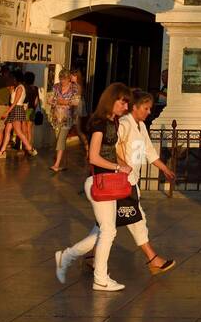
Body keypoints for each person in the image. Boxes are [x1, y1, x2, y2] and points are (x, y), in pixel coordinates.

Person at [55, 83, 136, 291]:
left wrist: (123, 165)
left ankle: (66, 256)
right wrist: (118, 167)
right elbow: (94, 156)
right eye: (122, 102)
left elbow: (109, 150)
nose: (125, 107)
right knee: (109, 231)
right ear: (112, 99)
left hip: (109, 180)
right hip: (101, 181)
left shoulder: (113, 122)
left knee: (100, 231)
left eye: (127, 103)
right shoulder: (100, 123)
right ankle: (100, 278)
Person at [113, 90, 176, 274]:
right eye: (146, 108)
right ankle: (153, 258)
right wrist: (122, 165)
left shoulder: (141, 126)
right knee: (137, 220)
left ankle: (85, 255)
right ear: (135, 107)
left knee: (106, 224)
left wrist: (164, 169)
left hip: (132, 181)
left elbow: (149, 151)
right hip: (122, 182)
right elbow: (112, 147)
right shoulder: (124, 124)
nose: (149, 112)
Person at [0, 69, 39, 159]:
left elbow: (15, 102)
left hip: (17, 109)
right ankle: (2, 151)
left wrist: (7, 112)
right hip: (14, 109)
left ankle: (30, 148)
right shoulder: (16, 87)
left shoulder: (20, 88)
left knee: (18, 131)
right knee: (7, 131)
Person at [50, 69, 82, 172]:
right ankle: (64, 162)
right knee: (59, 140)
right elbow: (50, 99)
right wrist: (65, 102)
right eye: (61, 79)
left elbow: (76, 102)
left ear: (69, 79)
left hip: (67, 118)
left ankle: (56, 164)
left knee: (61, 140)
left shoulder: (74, 88)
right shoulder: (56, 86)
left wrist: (60, 101)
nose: (62, 81)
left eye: (64, 79)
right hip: (56, 118)